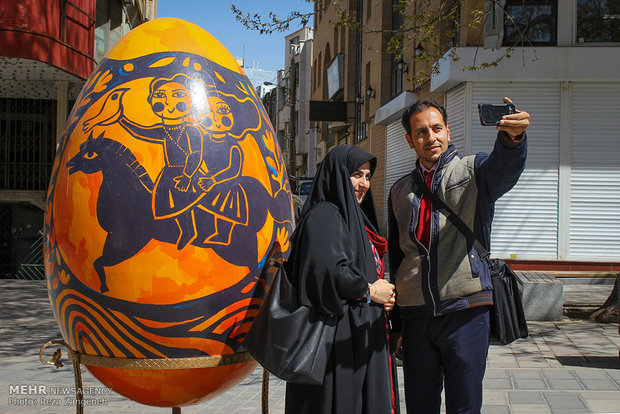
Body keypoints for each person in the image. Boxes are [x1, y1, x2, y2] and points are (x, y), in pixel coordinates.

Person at [388, 98, 530, 414]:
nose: (431, 137)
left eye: (437, 128)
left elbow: (504, 170)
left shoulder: (474, 169)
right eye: (421, 132)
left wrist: (512, 139)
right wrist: (397, 323)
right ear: (410, 141)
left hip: (465, 309)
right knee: (420, 406)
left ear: (449, 131)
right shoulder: (400, 190)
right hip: (416, 315)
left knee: (464, 406)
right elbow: (397, 258)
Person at [285, 145, 400, 414]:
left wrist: (381, 295)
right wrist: (370, 291)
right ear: (338, 175)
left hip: (359, 336)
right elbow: (329, 271)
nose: (363, 184)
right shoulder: (325, 214)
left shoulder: (350, 218)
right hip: (337, 344)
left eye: (368, 176)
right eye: (356, 175)